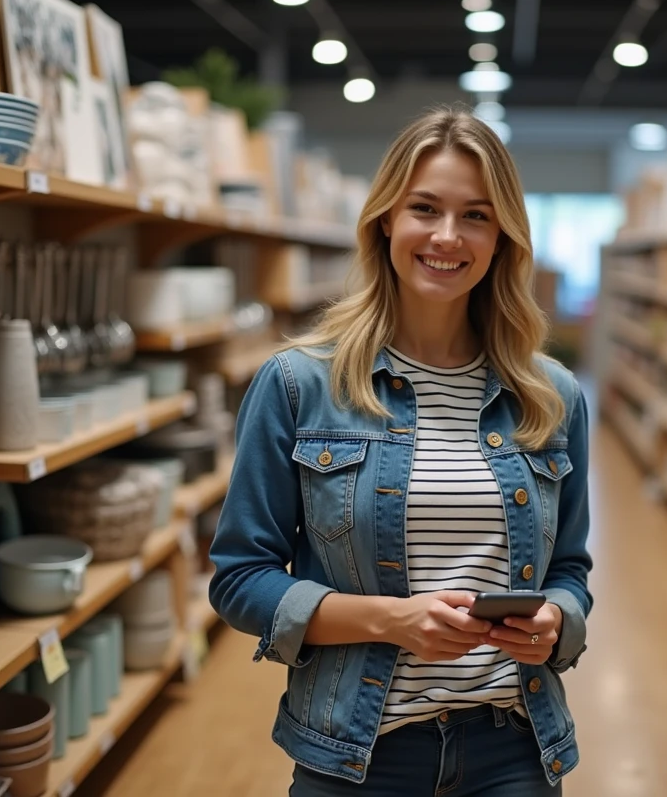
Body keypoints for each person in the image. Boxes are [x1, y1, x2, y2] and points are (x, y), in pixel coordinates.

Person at [208, 106, 593, 796]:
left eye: (476, 215)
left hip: (514, 751)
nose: (448, 236)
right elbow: (241, 579)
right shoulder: (299, 385)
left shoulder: (552, 395)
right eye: (425, 208)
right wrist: (393, 622)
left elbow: (569, 569)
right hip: (360, 757)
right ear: (386, 217)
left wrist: (557, 620)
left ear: (503, 234)